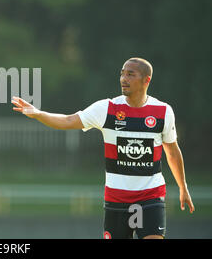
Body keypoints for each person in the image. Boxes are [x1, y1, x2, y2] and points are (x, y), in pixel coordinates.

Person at [11, 57, 194, 239]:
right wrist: (38, 114)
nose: (124, 79)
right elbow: (67, 120)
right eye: (122, 74)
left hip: (150, 195)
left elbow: (172, 151)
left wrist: (182, 187)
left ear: (147, 80)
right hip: (117, 198)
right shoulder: (107, 109)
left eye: (131, 74)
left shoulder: (163, 111)